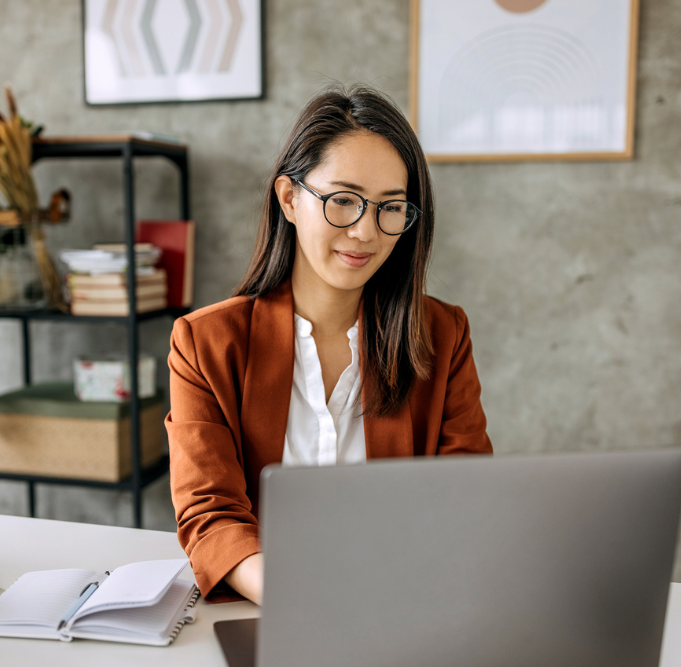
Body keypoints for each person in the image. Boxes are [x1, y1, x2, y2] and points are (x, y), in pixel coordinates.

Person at [166, 85, 492, 605]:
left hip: (406, 606)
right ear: (290, 199)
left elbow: (465, 501)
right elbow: (211, 515)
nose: (365, 231)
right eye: (343, 201)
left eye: (391, 207)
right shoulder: (206, 343)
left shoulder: (442, 336)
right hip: (271, 614)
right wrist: (300, 600)